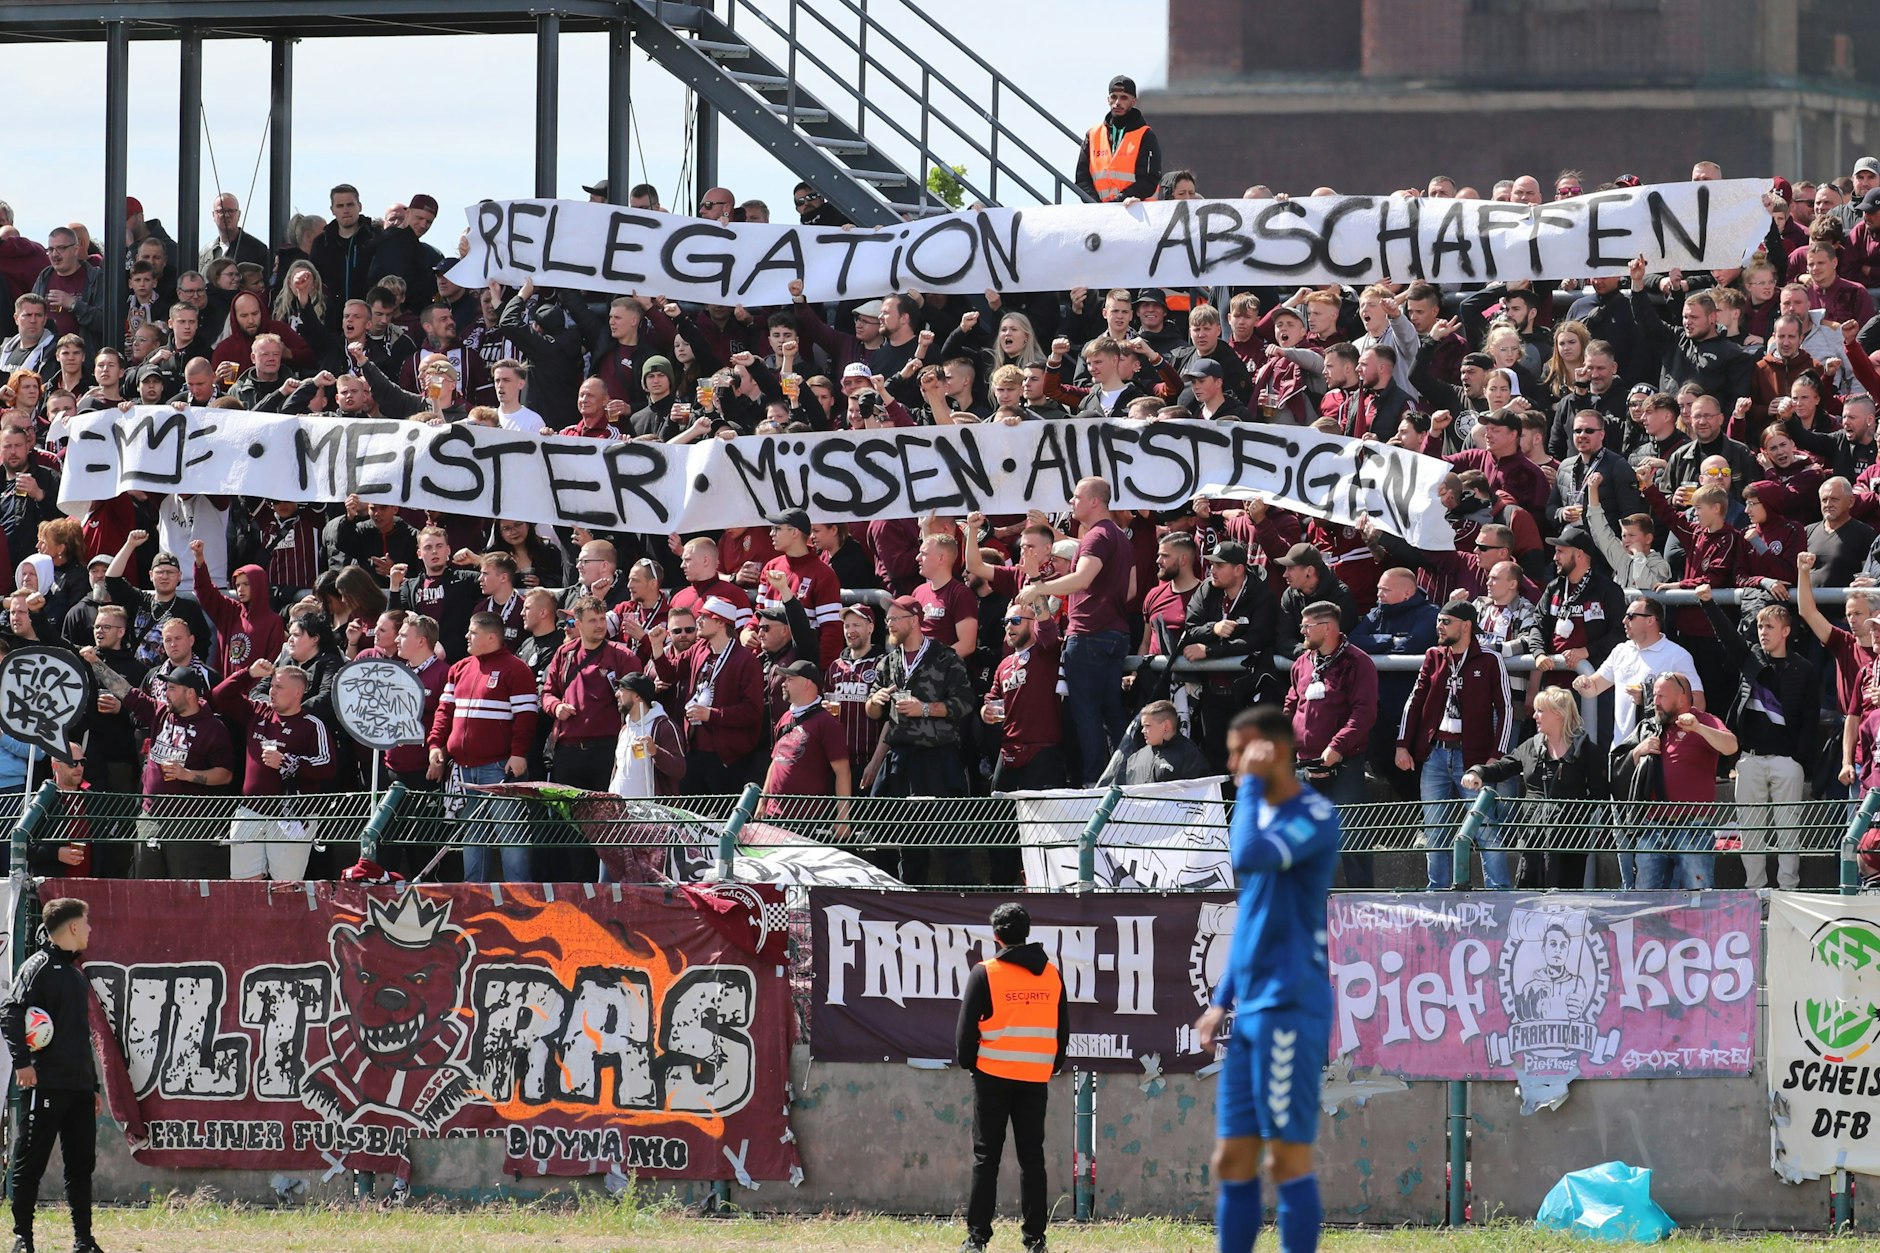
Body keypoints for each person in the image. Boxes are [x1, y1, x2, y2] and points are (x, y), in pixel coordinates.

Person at [1195, 706, 1339, 1253]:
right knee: (1232, 1156)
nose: (1232, 764)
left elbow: (1246, 856)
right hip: (1252, 1010)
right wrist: (1220, 1000)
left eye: (1241, 752)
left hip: (1290, 1009)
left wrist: (1252, 787)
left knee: (1285, 1158)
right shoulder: (1258, 815)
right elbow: (1251, 922)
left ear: (1271, 753)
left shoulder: (1313, 815)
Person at [955, 902, 1067, 1253]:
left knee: (986, 1158)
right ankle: (1035, 1240)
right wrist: (1048, 1066)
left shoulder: (985, 972)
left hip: (992, 1076)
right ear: (1027, 933)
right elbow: (1062, 1029)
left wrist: (972, 1064)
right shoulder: (1051, 974)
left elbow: (964, 1034)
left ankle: (977, 1240)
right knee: (1032, 1158)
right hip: (1034, 1078)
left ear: (996, 935)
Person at [1699, 586, 1817, 891]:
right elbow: (1728, 636)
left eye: (1770, 626)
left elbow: (1809, 719)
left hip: (1786, 762)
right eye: (1760, 626)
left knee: (1789, 829)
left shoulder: (1804, 669)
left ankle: (1788, 891)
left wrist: (1798, 758)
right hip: (1749, 759)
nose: (1763, 632)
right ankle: (1756, 891)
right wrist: (1709, 603)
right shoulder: (1749, 658)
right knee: (1751, 831)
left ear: (1786, 631)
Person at [3, 896, 103, 1253]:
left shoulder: (76, 975)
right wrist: (23, 1063)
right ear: (73, 927)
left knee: (81, 1166)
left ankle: (83, 1241)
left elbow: (80, 1035)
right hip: (46, 1083)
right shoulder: (38, 966)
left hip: (77, 1088)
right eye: (87, 923)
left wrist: (91, 1086)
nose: (90, 929)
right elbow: (11, 1013)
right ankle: (22, 1238)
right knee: (31, 1162)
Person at [1016, 477, 1130, 784]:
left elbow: (1082, 579)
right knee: (1111, 713)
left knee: (1087, 713)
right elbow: (1130, 589)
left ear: (1094, 501)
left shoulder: (1096, 537)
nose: (1071, 502)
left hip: (1091, 633)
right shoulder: (1119, 536)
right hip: (1114, 633)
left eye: (1077, 497)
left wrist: (1036, 588)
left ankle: (1095, 782)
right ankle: (1124, 780)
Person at [1396, 600, 1516, 891]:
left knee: (1485, 829)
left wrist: (1494, 758)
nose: (1439, 627)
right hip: (1436, 753)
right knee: (1435, 830)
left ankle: (1499, 892)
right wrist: (1402, 744)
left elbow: (1506, 708)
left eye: (1446, 621)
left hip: (1473, 758)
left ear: (1466, 625)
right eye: (1439, 621)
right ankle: (1437, 890)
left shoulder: (1489, 659)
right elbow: (1415, 701)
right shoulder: (1434, 656)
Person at [427, 612, 541, 883]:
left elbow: (526, 716)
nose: (467, 637)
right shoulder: (459, 668)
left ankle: (520, 894)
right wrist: (436, 745)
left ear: (491, 637)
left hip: (499, 768)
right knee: (472, 835)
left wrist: (518, 753)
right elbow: (444, 711)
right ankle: (473, 893)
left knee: (511, 834)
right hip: (463, 771)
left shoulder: (516, 669)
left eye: (472, 632)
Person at [1466, 687, 1608, 891]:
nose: (1534, 716)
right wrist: (1478, 772)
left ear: (1558, 714)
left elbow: (1599, 795)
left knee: (1565, 901)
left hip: (1568, 841)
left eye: (1540, 710)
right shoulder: (1531, 746)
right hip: (1532, 837)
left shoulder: (1587, 751)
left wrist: (1576, 819)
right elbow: (1505, 766)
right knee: (1527, 897)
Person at [1286, 600, 1379, 888]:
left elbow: (1364, 712)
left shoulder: (1358, 662)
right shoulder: (1302, 662)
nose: (1301, 630)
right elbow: (1291, 704)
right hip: (1303, 767)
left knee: (1352, 838)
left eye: (1307, 626)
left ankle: (1361, 903)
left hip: (1344, 766)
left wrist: (1337, 746)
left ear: (1327, 628)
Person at [1616, 672, 1737, 891]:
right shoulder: (1649, 726)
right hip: (1652, 826)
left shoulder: (1705, 720)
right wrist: (1638, 751)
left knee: (1697, 897)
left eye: (1661, 696)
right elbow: (1617, 765)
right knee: (1646, 899)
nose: (1655, 702)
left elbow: (1731, 746)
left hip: (1692, 827)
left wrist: (1698, 728)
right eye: (1654, 696)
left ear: (1681, 699)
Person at [1073, 75, 1162, 204]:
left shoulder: (1145, 135)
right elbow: (1082, 178)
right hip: (1099, 212)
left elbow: (1149, 179)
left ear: (1133, 101)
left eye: (1124, 97)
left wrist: (1119, 200)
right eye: (1114, 97)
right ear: (1108, 99)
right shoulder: (1093, 134)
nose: (1117, 102)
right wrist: (1096, 205)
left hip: (1132, 210)